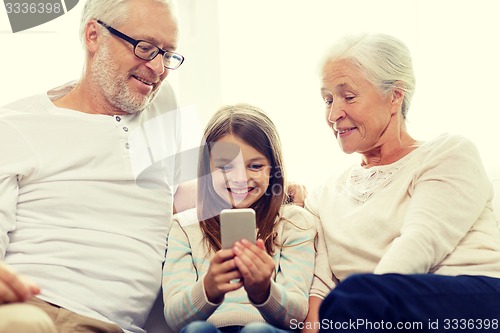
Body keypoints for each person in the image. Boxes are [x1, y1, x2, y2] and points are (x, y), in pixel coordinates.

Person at [0, 0, 186, 332]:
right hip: (36, 310)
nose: (158, 69)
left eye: (168, 54)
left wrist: (271, 194)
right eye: (144, 48)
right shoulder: (16, 126)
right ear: (92, 36)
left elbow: (186, 192)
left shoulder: (164, 105)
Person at [300, 32, 500, 333]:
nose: (333, 114)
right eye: (327, 99)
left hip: (475, 300)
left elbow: (420, 243)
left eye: (348, 96)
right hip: (376, 308)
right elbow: (322, 283)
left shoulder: (448, 153)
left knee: (355, 295)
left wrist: (369, 302)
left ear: (395, 96)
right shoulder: (323, 195)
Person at [162, 104, 317, 333]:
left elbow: (296, 315)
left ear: (273, 167)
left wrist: (265, 291)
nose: (240, 178)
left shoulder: (295, 223)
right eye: (225, 167)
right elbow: (175, 319)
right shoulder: (185, 227)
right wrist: (208, 289)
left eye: (255, 166)